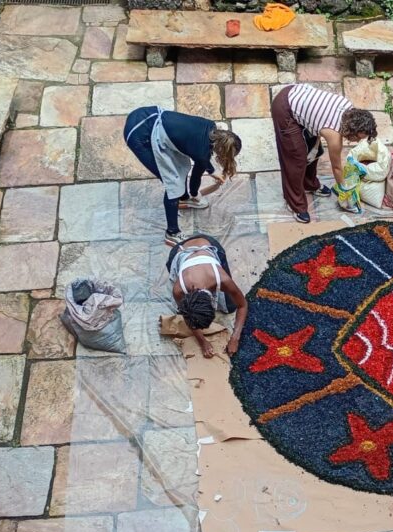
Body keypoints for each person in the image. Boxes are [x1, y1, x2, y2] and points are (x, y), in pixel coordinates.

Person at [123, 106, 242, 246]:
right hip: (138, 134)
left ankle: (184, 199)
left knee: (182, 165)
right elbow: (197, 172)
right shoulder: (201, 153)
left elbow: (199, 161)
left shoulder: (210, 126)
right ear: (222, 150)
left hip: (146, 115)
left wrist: (206, 179)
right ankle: (172, 233)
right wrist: (202, 186)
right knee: (173, 183)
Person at [271, 83, 378, 223]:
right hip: (284, 108)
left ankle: (309, 184)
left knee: (314, 151)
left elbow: (318, 125)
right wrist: (344, 190)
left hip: (297, 93)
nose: (356, 141)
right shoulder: (334, 135)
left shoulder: (347, 108)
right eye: (357, 137)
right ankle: (295, 204)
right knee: (296, 158)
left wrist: (314, 149)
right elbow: (337, 167)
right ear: (352, 130)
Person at [165, 233, 247, 358]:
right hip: (180, 251)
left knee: (231, 306)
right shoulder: (179, 289)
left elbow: (242, 304)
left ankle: (186, 241)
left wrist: (235, 338)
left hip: (207, 242)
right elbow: (187, 317)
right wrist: (202, 341)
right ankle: (179, 244)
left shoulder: (222, 279)